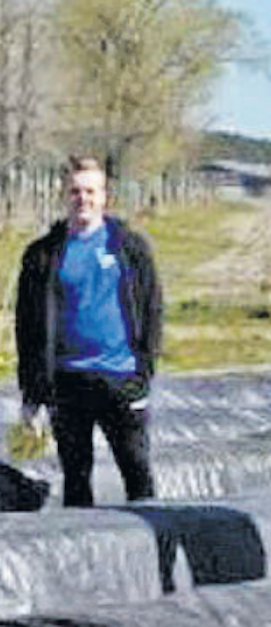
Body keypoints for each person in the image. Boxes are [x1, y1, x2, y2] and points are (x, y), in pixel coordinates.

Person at [13, 156, 163, 507]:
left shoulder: (129, 248)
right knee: (76, 477)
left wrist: (145, 370)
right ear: (64, 195)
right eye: (76, 191)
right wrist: (32, 393)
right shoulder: (43, 255)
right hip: (67, 381)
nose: (83, 199)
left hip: (121, 376)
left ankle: (150, 549)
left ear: (105, 196)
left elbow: (152, 309)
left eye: (91, 191)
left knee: (137, 472)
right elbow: (28, 326)